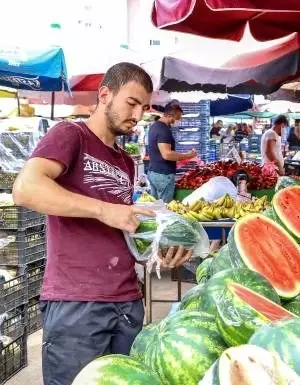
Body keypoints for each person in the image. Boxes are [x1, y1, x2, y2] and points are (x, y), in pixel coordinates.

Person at [12, 63, 193, 385]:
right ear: (105, 94)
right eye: (131, 103)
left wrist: (159, 248)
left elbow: (121, 227)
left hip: (126, 300)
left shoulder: (124, 160)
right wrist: (103, 209)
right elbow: (26, 189)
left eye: (144, 107)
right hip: (77, 301)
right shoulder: (70, 135)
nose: (137, 116)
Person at [147, 101, 196, 203]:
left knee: (155, 207)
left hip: (153, 172)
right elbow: (167, 154)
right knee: (165, 209)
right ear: (170, 115)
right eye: (178, 117)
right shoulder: (164, 130)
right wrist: (188, 155)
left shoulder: (154, 126)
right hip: (163, 175)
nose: (179, 120)